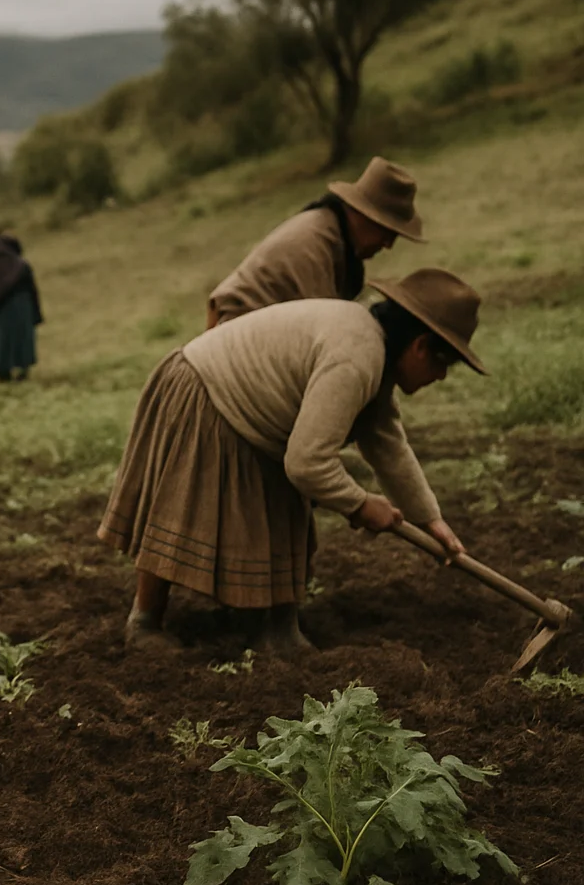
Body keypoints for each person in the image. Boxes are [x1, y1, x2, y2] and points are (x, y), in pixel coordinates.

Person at [99, 268, 482, 655]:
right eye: (442, 364)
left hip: (247, 403)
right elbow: (307, 463)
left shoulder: (373, 348)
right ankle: (145, 622)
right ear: (419, 347)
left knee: (284, 509)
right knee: (180, 507)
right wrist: (361, 504)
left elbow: (385, 438)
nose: (441, 377)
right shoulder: (356, 357)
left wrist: (428, 519)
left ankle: (275, 630)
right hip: (204, 391)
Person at [206, 157, 425, 328]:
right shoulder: (312, 247)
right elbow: (327, 333)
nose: (387, 245)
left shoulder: (333, 237)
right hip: (236, 339)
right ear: (363, 215)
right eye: (386, 233)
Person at [0, 226, 43, 382]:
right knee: (19, 339)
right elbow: (32, 291)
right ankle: (21, 370)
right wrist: (36, 314)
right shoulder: (22, 265)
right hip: (20, 310)